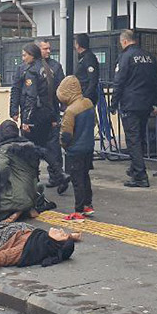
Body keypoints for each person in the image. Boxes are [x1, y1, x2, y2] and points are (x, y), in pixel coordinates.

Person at [111, 30, 157, 188]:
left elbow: (119, 82)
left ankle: (140, 176)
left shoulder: (125, 57)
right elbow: (156, 82)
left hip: (130, 104)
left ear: (124, 41)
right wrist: (155, 103)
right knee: (139, 137)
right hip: (145, 104)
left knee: (133, 140)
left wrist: (113, 103)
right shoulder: (149, 57)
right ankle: (134, 169)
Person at [10, 44, 60, 178]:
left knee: (30, 147)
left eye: (25, 55)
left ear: (32, 55)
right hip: (47, 113)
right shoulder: (47, 69)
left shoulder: (31, 71)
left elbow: (31, 97)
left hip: (35, 114)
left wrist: (26, 120)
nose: (23, 58)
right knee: (44, 145)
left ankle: (34, 177)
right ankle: (58, 173)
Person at [58, 75, 96, 216]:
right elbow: (94, 123)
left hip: (75, 150)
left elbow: (66, 134)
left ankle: (78, 210)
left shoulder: (71, 111)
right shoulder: (88, 103)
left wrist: (64, 145)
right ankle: (88, 205)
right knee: (85, 177)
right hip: (88, 147)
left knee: (77, 180)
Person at [35, 40, 69, 188]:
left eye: (49, 48)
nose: (48, 51)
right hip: (35, 114)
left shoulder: (55, 66)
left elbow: (62, 87)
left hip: (52, 112)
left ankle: (57, 176)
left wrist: (61, 108)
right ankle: (32, 177)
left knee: (53, 146)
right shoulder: (30, 67)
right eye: (45, 49)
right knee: (34, 147)